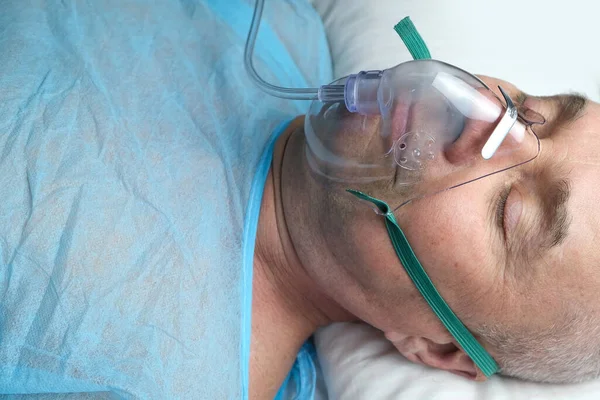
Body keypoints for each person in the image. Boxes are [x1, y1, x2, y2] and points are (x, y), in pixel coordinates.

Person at [2, 2, 599, 400]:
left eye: (510, 214)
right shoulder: (282, 24)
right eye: (533, 112)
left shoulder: (152, 378)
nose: (488, 121)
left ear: (438, 347)